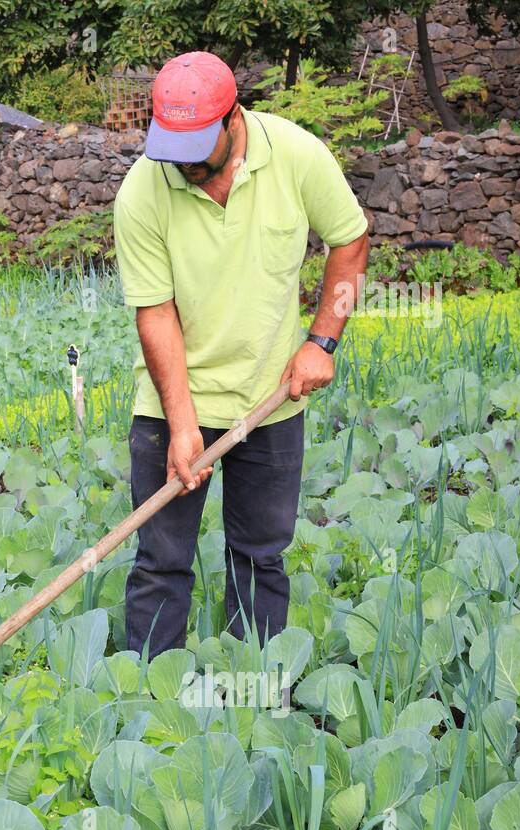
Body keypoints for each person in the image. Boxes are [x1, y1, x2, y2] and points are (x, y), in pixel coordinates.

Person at [112, 50, 370, 657]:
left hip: (270, 399)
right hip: (173, 401)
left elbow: (350, 240)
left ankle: (252, 699)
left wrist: (321, 340)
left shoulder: (298, 155)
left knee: (260, 558)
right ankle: (152, 707)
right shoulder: (142, 192)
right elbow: (156, 315)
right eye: (173, 152)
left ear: (233, 121)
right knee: (161, 561)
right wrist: (181, 427)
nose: (185, 167)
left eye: (198, 149)